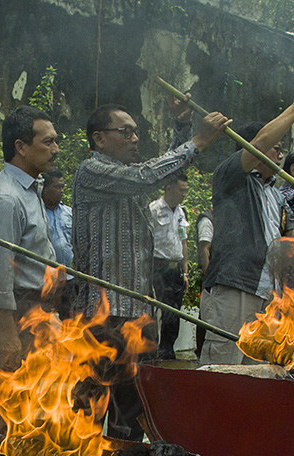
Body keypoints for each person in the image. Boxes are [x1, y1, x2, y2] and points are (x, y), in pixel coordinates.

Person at [71, 99, 228, 438]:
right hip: (104, 313)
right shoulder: (92, 171)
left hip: (137, 309)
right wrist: (197, 141)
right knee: (95, 395)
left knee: (132, 399)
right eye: (125, 132)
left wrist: (182, 128)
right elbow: (146, 177)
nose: (135, 139)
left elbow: (159, 174)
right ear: (99, 139)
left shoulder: (127, 177)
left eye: (136, 132)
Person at [200, 76, 294, 365]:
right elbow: (261, 142)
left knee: (256, 376)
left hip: (265, 292)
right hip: (235, 287)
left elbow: (287, 236)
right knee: (222, 371)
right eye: (276, 147)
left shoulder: (274, 192)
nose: (279, 153)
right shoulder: (231, 178)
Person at [0, 105, 59, 370]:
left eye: (55, 141)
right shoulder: (6, 198)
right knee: (11, 396)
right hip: (15, 313)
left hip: (34, 308)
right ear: (21, 147)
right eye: (48, 142)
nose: (55, 149)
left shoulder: (30, 190)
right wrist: (6, 332)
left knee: (36, 394)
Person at [148, 171, 190, 360]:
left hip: (176, 269)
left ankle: (167, 350)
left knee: (174, 311)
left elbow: (184, 242)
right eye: (181, 190)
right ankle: (150, 350)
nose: (183, 194)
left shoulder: (182, 211)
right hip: (158, 266)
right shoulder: (154, 209)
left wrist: (186, 272)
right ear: (168, 188)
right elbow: (145, 241)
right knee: (154, 309)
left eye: (186, 191)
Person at [42, 168, 74, 317]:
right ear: (45, 188)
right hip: (46, 280)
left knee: (70, 321)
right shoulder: (38, 213)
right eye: (57, 187)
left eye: (62, 187)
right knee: (43, 321)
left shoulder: (68, 212)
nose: (61, 191)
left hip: (70, 278)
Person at [195, 209, 214, 357]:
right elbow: (204, 249)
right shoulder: (208, 220)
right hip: (213, 278)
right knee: (207, 315)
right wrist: (209, 277)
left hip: (220, 277)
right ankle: (200, 351)